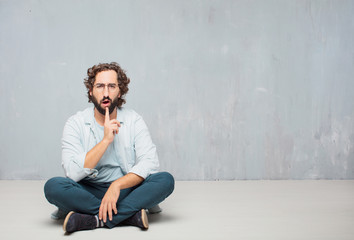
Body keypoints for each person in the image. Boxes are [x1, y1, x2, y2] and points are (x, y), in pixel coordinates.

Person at [44, 62, 174, 233]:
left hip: (125, 189)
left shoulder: (134, 120)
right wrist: (105, 140)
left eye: (111, 86)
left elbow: (149, 163)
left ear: (120, 92)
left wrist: (117, 185)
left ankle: (93, 219)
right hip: (88, 190)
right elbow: (72, 172)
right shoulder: (75, 123)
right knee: (53, 186)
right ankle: (129, 215)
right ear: (91, 91)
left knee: (165, 180)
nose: (106, 93)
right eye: (100, 86)